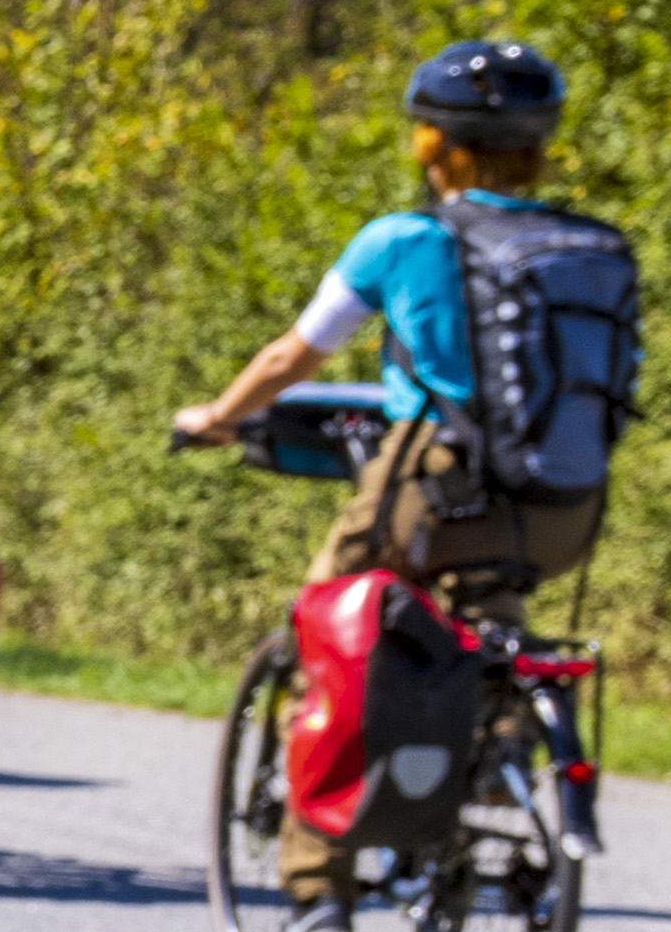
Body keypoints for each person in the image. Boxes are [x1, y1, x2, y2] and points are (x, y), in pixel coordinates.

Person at [168, 37, 625, 597]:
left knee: (327, 607)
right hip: (567, 512)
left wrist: (218, 416)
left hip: (438, 493)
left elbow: (292, 357)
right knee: (492, 639)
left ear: (432, 143)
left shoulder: (405, 238)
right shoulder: (594, 247)